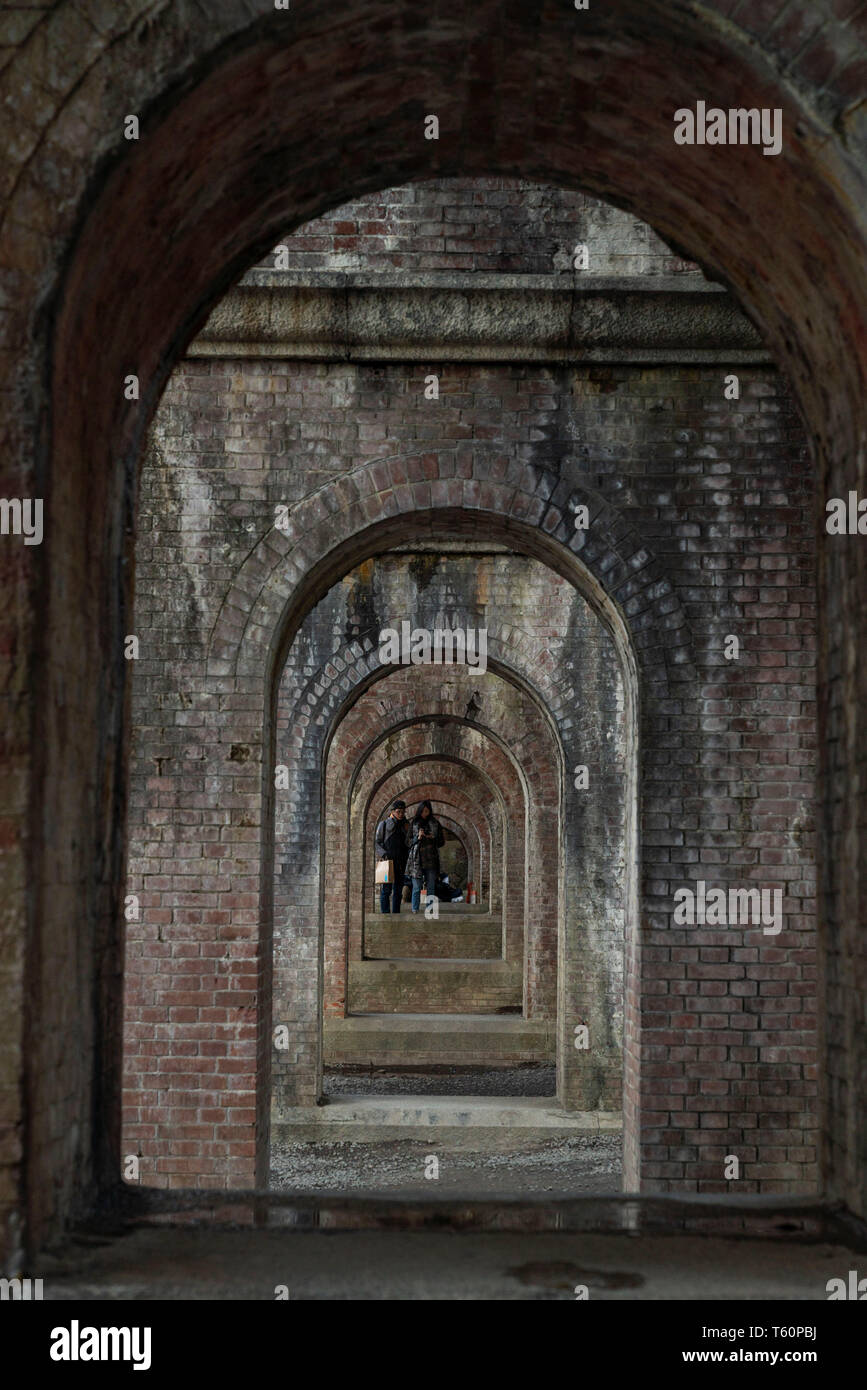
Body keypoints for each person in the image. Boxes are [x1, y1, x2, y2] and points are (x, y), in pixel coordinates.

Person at [406, 799, 445, 913]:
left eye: (427, 811)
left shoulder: (435, 823)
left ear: (430, 811)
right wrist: (417, 838)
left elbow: (442, 842)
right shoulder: (414, 823)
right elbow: (407, 842)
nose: (424, 813)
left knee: (431, 886)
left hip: (431, 858)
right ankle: (415, 909)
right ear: (419, 811)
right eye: (422, 811)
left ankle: (430, 909)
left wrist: (434, 838)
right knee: (417, 887)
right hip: (416, 859)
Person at [374, 800, 408, 914]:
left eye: (403, 812)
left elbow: (408, 842)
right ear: (392, 812)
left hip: (401, 862)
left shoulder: (406, 825)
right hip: (388, 861)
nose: (401, 814)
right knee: (386, 890)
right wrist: (384, 854)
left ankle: (396, 913)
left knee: (398, 890)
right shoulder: (383, 824)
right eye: (398, 812)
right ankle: (385, 913)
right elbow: (376, 842)